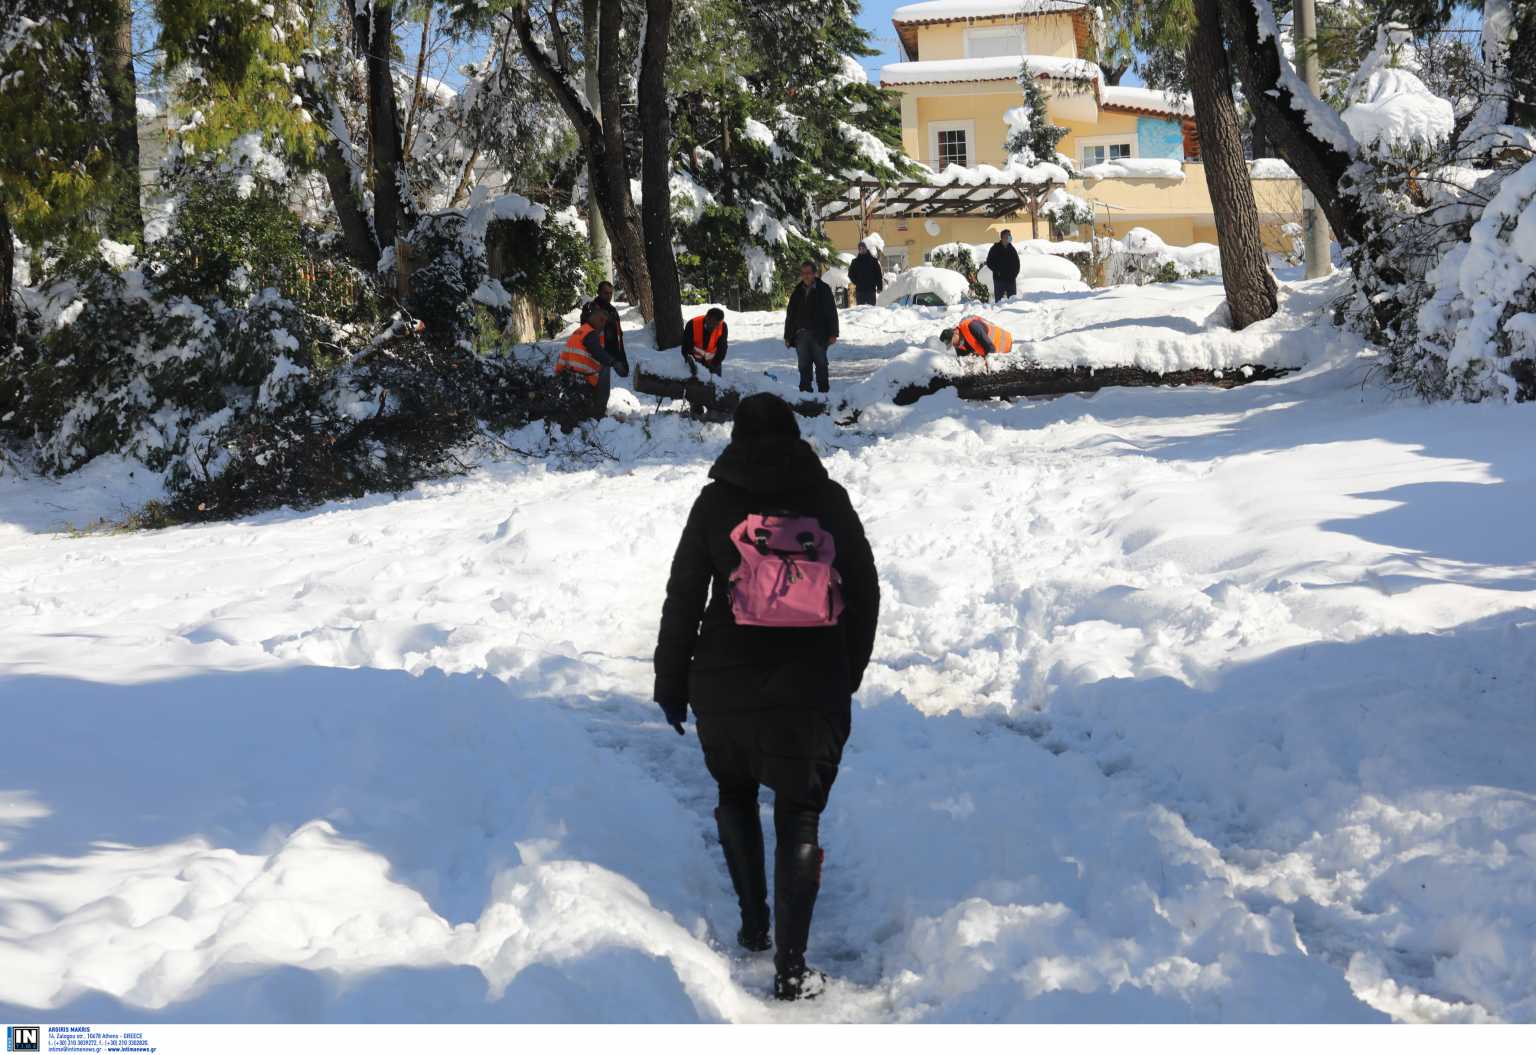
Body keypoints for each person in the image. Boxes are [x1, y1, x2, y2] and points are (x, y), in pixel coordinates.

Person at [653, 393, 880, 1002]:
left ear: (735, 438)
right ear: (795, 434)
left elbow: (683, 597)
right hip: (812, 681)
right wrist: (847, 669)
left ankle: (754, 924)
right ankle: (792, 968)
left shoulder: (715, 502)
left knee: (734, 792)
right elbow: (865, 589)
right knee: (799, 813)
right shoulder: (827, 500)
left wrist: (671, 682)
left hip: (724, 681)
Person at [555, 305, 622, 418]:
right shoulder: (590, 333)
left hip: (567, 378)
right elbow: (598, 352)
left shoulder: (579, 331)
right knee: (605, 366)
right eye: (601, 320)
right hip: (582, 380)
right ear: (592, 317)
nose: (603, 324)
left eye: (604, 321)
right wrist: (613, 362)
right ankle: (599, 411)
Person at [783, 261, 839, 394]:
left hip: (819, 334)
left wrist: (833, 333)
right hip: (801, 335)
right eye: (803, 273)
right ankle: (805, 393)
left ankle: (824, 393)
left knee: (821, 364)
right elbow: (790, 315)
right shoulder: (797, 291)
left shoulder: (823, 289)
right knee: (803, 365)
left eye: (808, 273)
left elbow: (831, 312)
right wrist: (787, 336)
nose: (806, 276)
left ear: (815, 274)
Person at [580, 281, 629, 376]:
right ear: (598, 292)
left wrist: (622, 360)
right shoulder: (590, 309)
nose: (609, 296)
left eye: (611, 293)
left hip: (609, 359)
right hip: (593, 358)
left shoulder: (613, 311)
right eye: (606, 293)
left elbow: (619, 337)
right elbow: (586, 336)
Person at [682, 307, 730, 378]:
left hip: (714, 359)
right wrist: (689, 360)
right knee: (696, 382)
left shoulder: (723, 326)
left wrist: (715, 363)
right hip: (695, 359)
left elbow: (722, 347)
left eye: (717, 325)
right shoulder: (692, 324)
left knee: (716, 382)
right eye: (712, 323)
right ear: (706, 318)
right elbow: (686, 345)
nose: (714, 327)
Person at [940, 315, 1014, 359]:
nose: (954, 345)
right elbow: (964, 359)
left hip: (1004, 344)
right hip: (997, 352)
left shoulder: (972, 326)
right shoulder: (959, 344)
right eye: (951, 345)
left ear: (956, 332)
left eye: (953, 342)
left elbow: (990, 348)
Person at [984, 229, 1021, 302]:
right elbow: (989, 262)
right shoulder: (995, 248)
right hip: (999, 280)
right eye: (1008, 235)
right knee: (999, 302)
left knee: (1013, 301)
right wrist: (997, 271)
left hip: (1011, 280)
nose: (1010, 237)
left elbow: (1017, 264)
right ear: (1003, 237)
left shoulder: (1012, 249)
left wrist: (1014, 274)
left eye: (1010, 235)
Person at [847, 241, 883, 306]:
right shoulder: (855, 262)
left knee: (871, 309)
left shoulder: (873, 261)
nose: (862, 250)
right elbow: (850, 274)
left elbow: (878, 275)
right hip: (860, 291)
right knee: (861, 310)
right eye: (860, 249)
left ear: (866, 248)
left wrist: (879, 287)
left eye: (863, 248)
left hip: (871, 290)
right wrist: (856, 282)